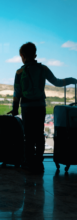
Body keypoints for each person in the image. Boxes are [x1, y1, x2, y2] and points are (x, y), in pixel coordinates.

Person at [8, 42, 77, 173]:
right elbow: (57, 82)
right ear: (35, 55)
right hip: (40, 106)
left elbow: (17, 93)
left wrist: (15, 108)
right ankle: (39, 162)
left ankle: (28, 162)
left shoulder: (19, 72)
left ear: (22, 55)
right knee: (39, 134)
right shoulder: (43, 69)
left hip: (26, 107)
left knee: (28, 135)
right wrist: (71, 80)